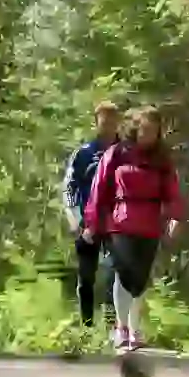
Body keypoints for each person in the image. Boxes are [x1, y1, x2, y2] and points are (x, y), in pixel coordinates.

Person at [82, 105, 185, 352]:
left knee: (140, 276)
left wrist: (175, 217)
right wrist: (92, 224)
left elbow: (172, 190)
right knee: (123, 272)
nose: (150, 135)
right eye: (146, 129)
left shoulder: (162, 159)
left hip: (149, 224)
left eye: (155, 130)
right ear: (136, 128)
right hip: (120, 221)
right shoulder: (116, 154)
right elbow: (99, 190)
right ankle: (121, 327)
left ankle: (135, 327)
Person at [61, 101, 121, 327]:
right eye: (103, 121)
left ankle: (111, 325)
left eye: (112, 121)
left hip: (117, 223)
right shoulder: (84, 154)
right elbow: (69, 187)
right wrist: (74, 218)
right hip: (88, 223)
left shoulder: (125, 153)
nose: (108, 126)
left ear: (118, 123)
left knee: (114, 273)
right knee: (86, 277)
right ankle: (86, 325)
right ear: (96, 123)